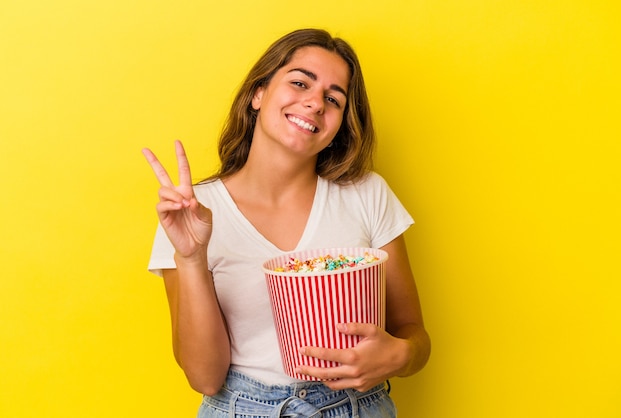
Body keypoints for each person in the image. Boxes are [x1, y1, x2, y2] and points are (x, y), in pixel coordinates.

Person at [142, 28, 430, 418]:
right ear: (258, 94)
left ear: (339, 125)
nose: (314, 103)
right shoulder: (191, 210)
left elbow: (414, 337)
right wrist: (191, 258)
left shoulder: (367, 194)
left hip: (358, 407)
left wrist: (401, 354)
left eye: (333, 98)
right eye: (299, 83)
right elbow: (205, 379)